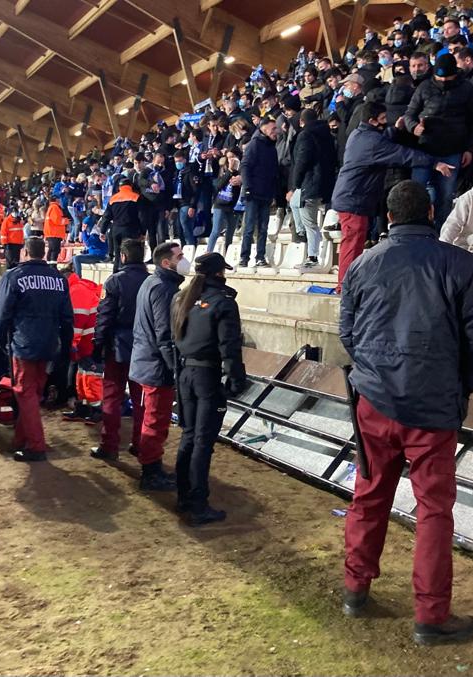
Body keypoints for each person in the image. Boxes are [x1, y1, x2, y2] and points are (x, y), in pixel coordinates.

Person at [339, 180, 473, 645]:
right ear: (430, 212)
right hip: (432, 405)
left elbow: (346, 331)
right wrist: (463, 385)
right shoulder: (459, 264)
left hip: (374, 400)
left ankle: (355, 587)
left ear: (388, 218)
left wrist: (371, 372)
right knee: (433, 511)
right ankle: (430, 615)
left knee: (368, 495)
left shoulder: (363, 264)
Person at [332, 102, 454, 289]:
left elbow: (381, 141)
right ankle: (345, 285)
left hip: (352, 196)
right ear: (371, 121)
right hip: (353, 198)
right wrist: (434, 163)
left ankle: (350, 282)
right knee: (353, 242)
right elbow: (401, 154)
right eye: (381, 120)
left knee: (355, 240)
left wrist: (395, 131)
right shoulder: (371, 143)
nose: (385, 123)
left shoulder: (360, 134)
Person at [170, 252, 247, 526]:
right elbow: (230, 346)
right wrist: (237, 379)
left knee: (189, 436)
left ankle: (184, 495)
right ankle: (198, 503)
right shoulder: (222, 302)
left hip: (185, 373)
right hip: (206, 374)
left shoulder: (181, 298)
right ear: (218, 273)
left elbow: (172, 338)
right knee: (202, 441)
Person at [0, 237, 74, 461]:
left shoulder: (14, 276)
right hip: (49, 344)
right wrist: (64, 346)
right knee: (33, 394)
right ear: (43, 253)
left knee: (25, 394)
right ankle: (20, 439)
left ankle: (36, 447)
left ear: (25, 252)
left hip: (23, 343)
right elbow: (67, 317)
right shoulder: (58, 278)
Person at [129, 241, 188, 490]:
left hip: (146, 360)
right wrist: (175, 367)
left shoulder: (153, 282)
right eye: (180, 256)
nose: (184, 259)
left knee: (152, 418)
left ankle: (152, 465)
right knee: (155, 419)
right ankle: (151, 472)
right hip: (155, 366)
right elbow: (164, 334)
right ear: (167, 262)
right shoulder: (164, 288)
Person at [403, 53, 473, 227]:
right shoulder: (424, 87)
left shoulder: (466, 88)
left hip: (452, 151)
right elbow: (409, 114)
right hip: (424, 150)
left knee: (445, 196)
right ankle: (415, 228)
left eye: (447, 77)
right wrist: (414, 128)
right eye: (440, 77)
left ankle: (442, 233)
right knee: (416, 192)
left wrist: (470, 149)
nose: (443, 81)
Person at [91, 238, 149, 460]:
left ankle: (109, 445)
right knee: (141, 401)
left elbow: (104, 317)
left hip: (117, 347)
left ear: (122, 257)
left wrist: (98, 345)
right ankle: (140, 443)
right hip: (143, 349)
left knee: (112, 398)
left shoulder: (114, 281)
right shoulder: (151, 281)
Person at [288, 108, 338, 269]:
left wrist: (295, 183)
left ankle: (313, 258)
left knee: (311, 223)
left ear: (302, 122)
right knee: (294, 203)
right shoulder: (327, 135)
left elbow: (302, 161)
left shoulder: (305, 135)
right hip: (321, 182)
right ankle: (301, 232)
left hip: (309, 184)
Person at [60, 267, 104, 425]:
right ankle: (83, 408)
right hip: (86, 342)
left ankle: (97, 411)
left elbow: (77, 321)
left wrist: (71, 343)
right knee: (82, 377)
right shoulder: (77, 289)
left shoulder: (76, 291)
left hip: (91, 342)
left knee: (91, 378)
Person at [238, 117, 279, 267]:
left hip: (266, 194)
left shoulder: (272, 148)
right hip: (253, 193)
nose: (276, 131)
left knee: (263, 228)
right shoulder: (254, 144)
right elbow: (245, 166)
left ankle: (260, 257)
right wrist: (247, 188)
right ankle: (244, 258)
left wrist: (273, 194)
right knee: (249, 227)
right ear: (264, 129)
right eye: (273, 128)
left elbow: (274, 172)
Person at [96, 176, 143, 272]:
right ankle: (129, 276)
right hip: (131, 230)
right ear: (130, 186)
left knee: (117, 255)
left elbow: (106, 216)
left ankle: (116, 275)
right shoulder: (136, 197)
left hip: (116, 230)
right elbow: (142, 216)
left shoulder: (113, 199)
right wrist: (143, 231)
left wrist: (102, 231)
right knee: (131, 255)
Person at [43, 198, 70, 263]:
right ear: (57, 200)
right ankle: (52, 266)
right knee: (55, 250)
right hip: (54, 233)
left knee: (52, 249)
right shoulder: (55, 207)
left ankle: (50, 265)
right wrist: (66, 220)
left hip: (51, 233)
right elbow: (57, 220)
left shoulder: (51, 207)